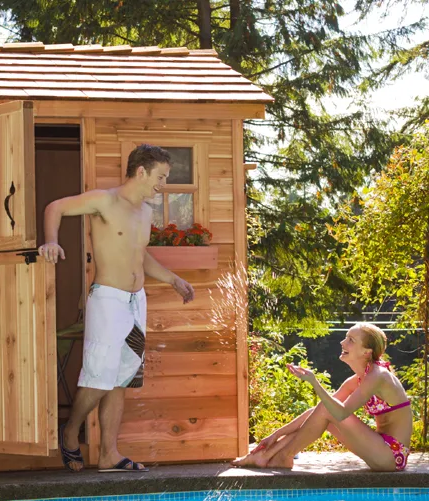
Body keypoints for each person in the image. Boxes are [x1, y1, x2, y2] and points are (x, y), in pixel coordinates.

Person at [39, 144, 195, 473]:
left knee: (122, 378)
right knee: (98, 377)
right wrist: (51, 240)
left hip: (136, 302)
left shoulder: (145, 212)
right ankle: (70, 431)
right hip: (108, 299)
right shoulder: (105, 201)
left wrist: (173, 279)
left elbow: (140, 255)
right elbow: (56, 207)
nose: (163, 185)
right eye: (161, 177)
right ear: (141, 171)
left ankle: (109, 454)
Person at [232, 322, 413, 471]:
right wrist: (275, 435)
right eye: (345, 338)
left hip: (392, 455)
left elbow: (340, 412)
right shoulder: (359, 379)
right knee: (321, 412)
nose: (342, 342)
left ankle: (284, 456)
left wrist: (314, 382)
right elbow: (319, 411)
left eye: (350, 340)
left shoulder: (378, 376)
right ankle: (265, 455)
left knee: (328, 409)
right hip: (379, 447)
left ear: (367, 351)